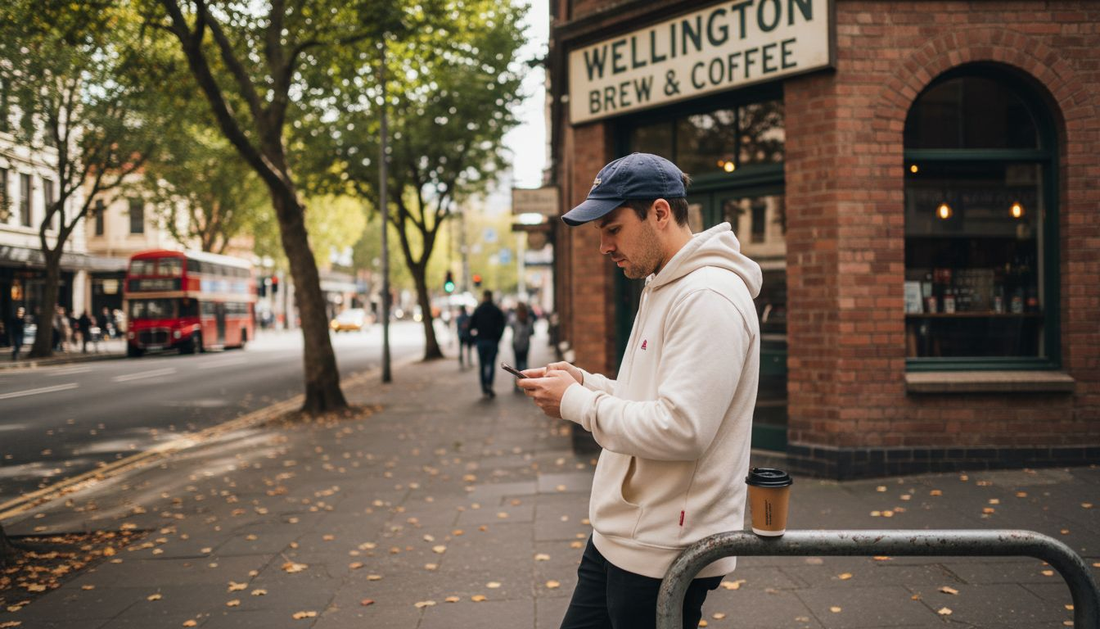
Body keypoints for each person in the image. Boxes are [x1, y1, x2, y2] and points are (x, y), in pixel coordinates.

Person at [516, 153, 762, 629]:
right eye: (599, 234)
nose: (604, 246)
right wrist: (585, 383)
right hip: (623, 534)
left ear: (660, 213)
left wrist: (576, 403)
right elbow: (646, 396)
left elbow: (683, 428)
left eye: (613, 229)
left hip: (664, 546)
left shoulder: (707, 297)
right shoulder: (663, 284)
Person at [468, 290, 505, 398]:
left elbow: (471, 326)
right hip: (492, 341)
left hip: (481, 341)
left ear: (484, 297)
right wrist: (497, 338)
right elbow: (502, 326)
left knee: (482, 366)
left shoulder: (478, 310)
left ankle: (484, 388)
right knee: (491, 365)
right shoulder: (496, 310)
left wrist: (475, 338)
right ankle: (489, 384)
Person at [509, 302, 534, 391]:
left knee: (517, 365)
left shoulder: (514, 319)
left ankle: (517, 385)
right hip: (525, 344)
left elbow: (512, 328)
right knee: (524, 363)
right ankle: (526, 383)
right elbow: (532, 332)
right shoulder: (529, 320)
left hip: (516, 344)